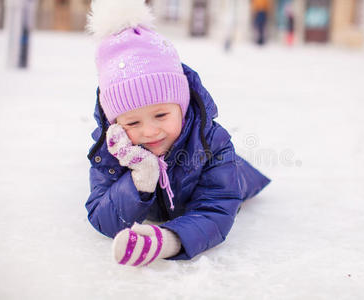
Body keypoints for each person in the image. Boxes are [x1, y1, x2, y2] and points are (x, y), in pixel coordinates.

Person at [85, 0, 270, 267]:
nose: (149, 131)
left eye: (161, 115)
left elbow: (216, 209)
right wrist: (140, 180)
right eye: (133, 123)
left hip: (230, 173)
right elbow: (101, 216)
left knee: (237, 176)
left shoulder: (212, 144)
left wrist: (168, 239)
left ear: (182, 107)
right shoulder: (112, 150)